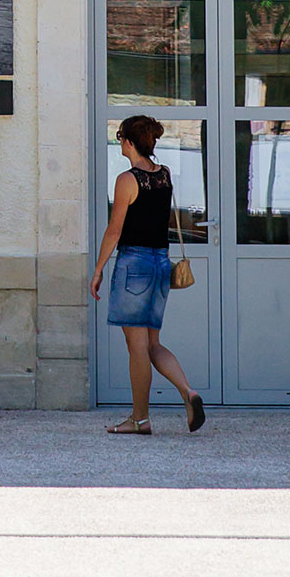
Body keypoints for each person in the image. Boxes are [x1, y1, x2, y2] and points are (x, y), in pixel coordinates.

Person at [90, 114, 206, 436]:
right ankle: (188, 392)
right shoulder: (164, 175)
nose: (119, 143)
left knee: (137, 347)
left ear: (129, 141)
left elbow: (114, 231)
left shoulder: (128, 179)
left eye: (120, 137)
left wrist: (98, 270)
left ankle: (140, 419)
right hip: (159, 265)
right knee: (153, 344)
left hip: (134, 266)